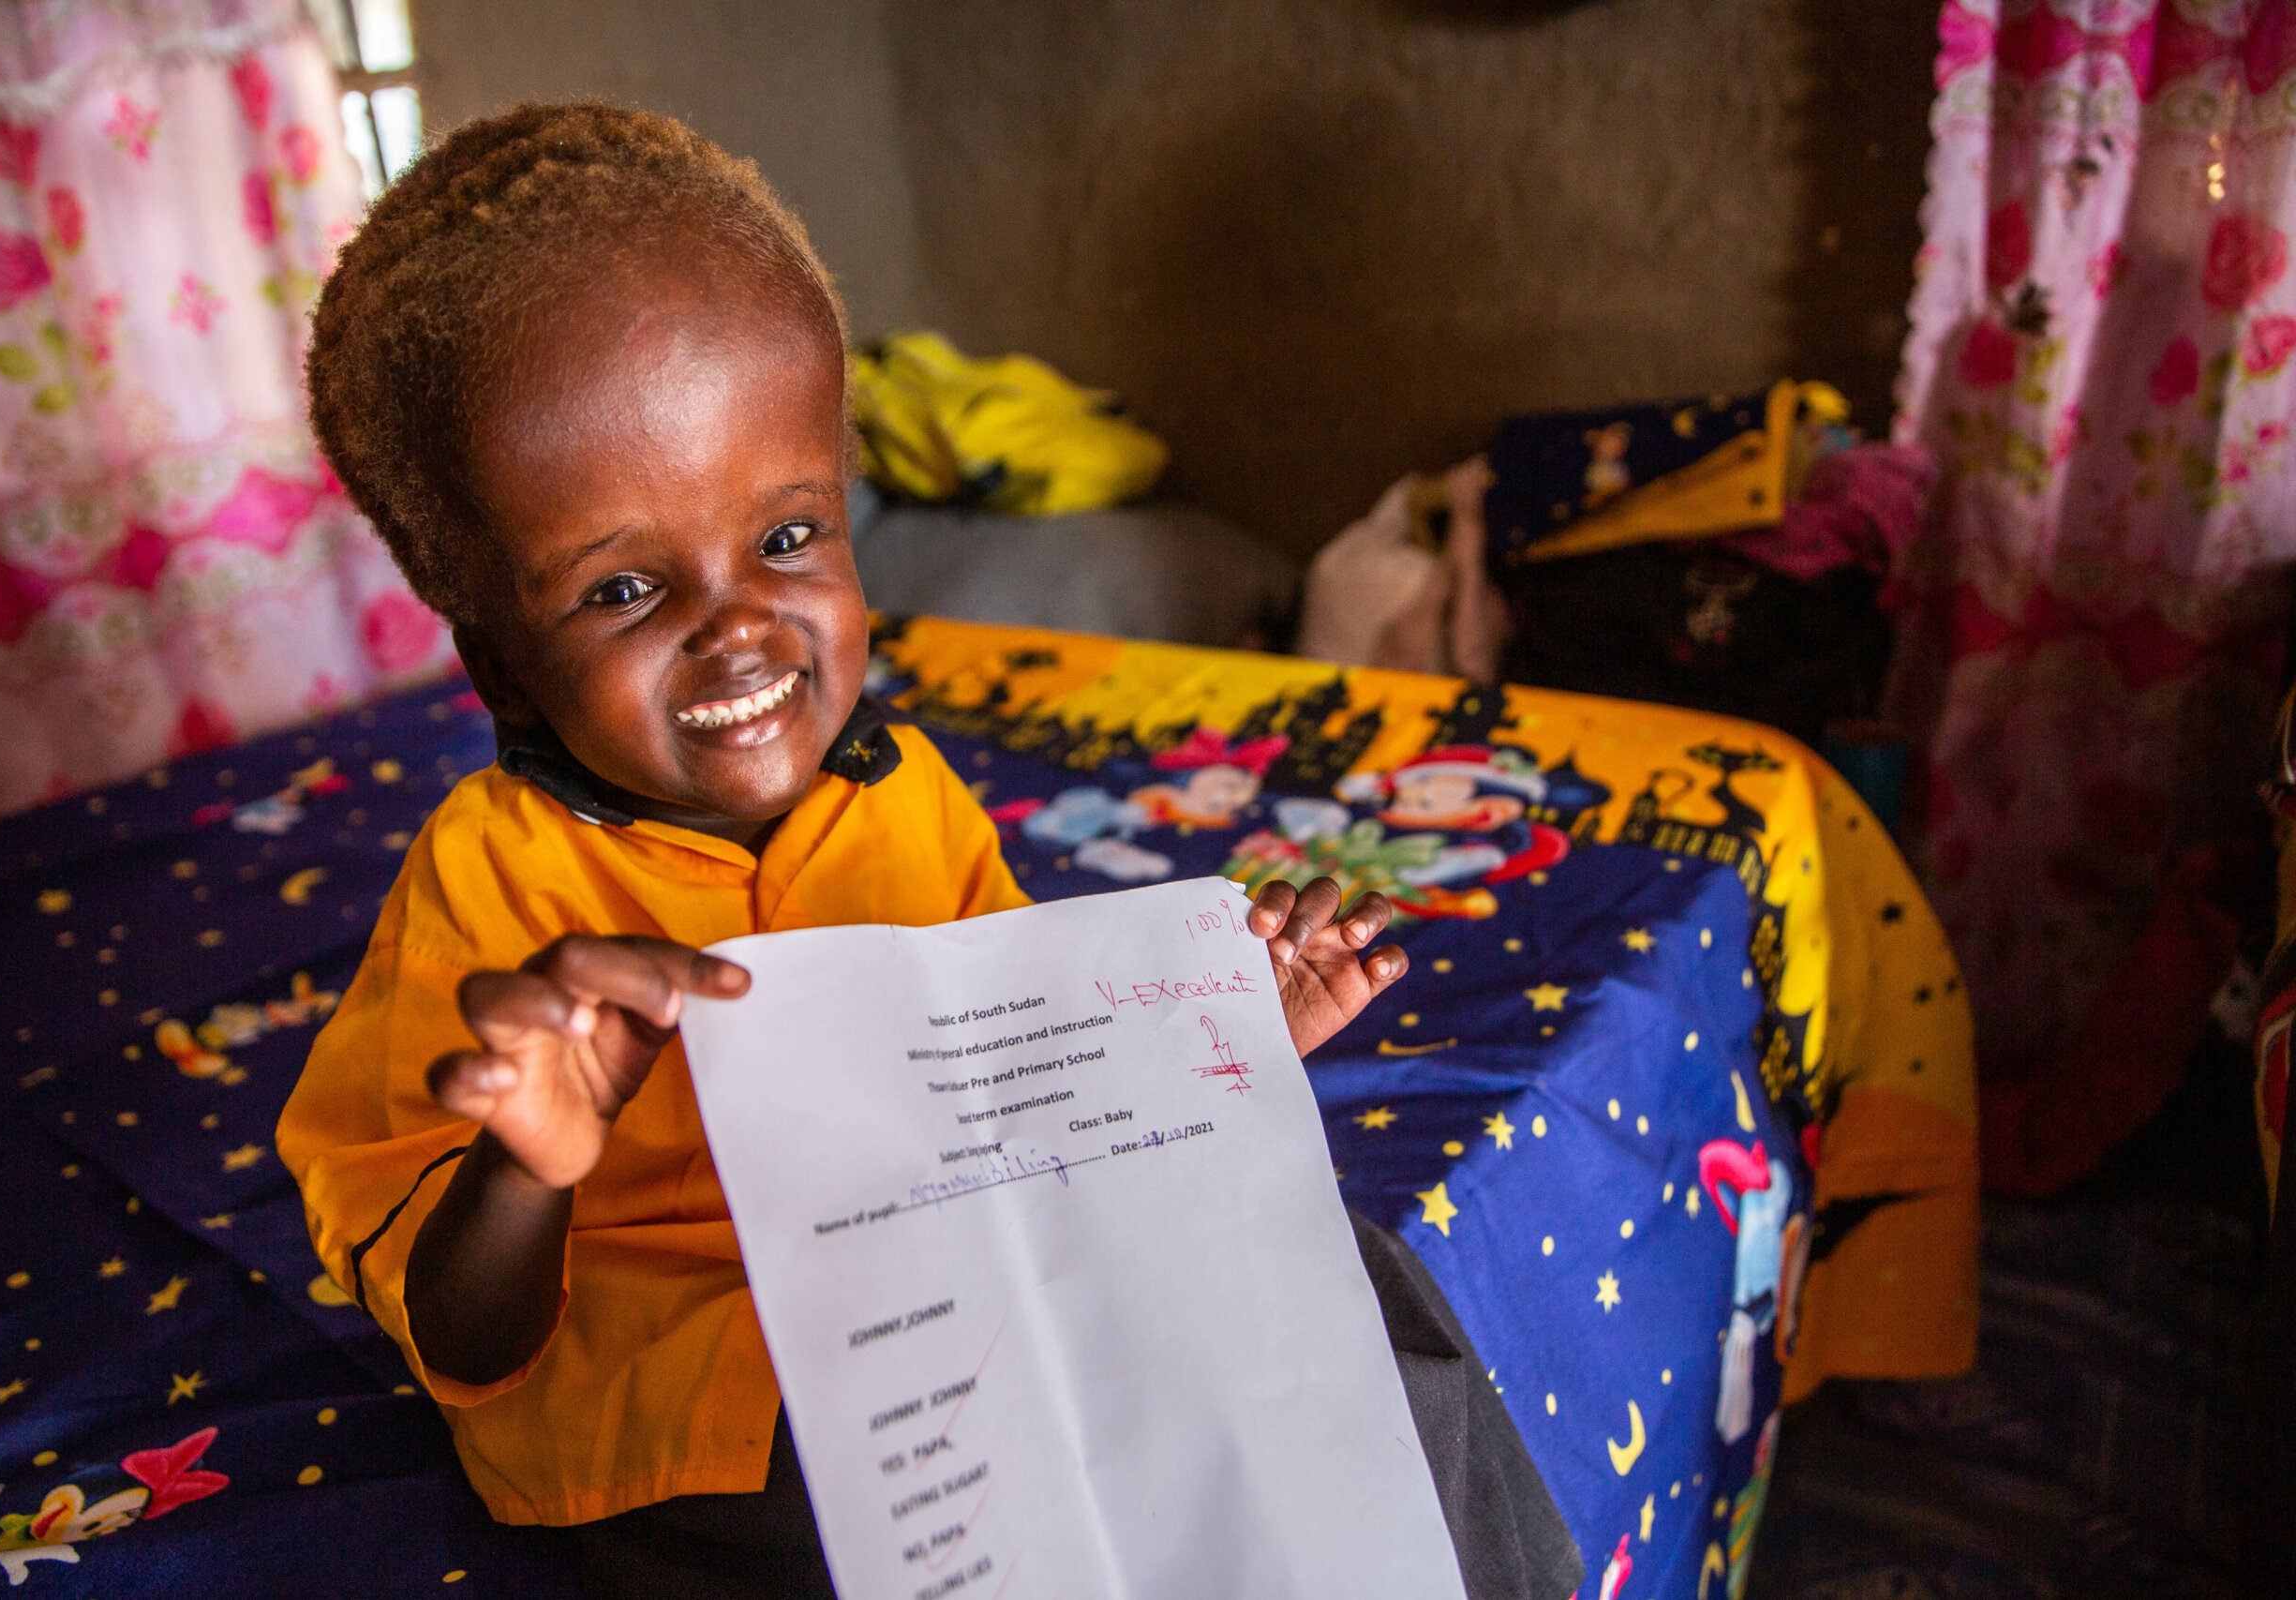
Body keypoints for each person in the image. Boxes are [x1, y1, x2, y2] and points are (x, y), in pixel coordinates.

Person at [279, 102, 1578, 1600]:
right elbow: (463, 1339)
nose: (739, 627)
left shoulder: (904, 795)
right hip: (701, 1400)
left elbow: (1023, 1110)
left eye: (786, 539)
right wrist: (528, 1165)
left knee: (1340, 1288)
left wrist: (1211, 1053)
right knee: (1013, 1484)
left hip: (951, 1281)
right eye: (625, 588)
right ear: (499, 664)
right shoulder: (491, 885)